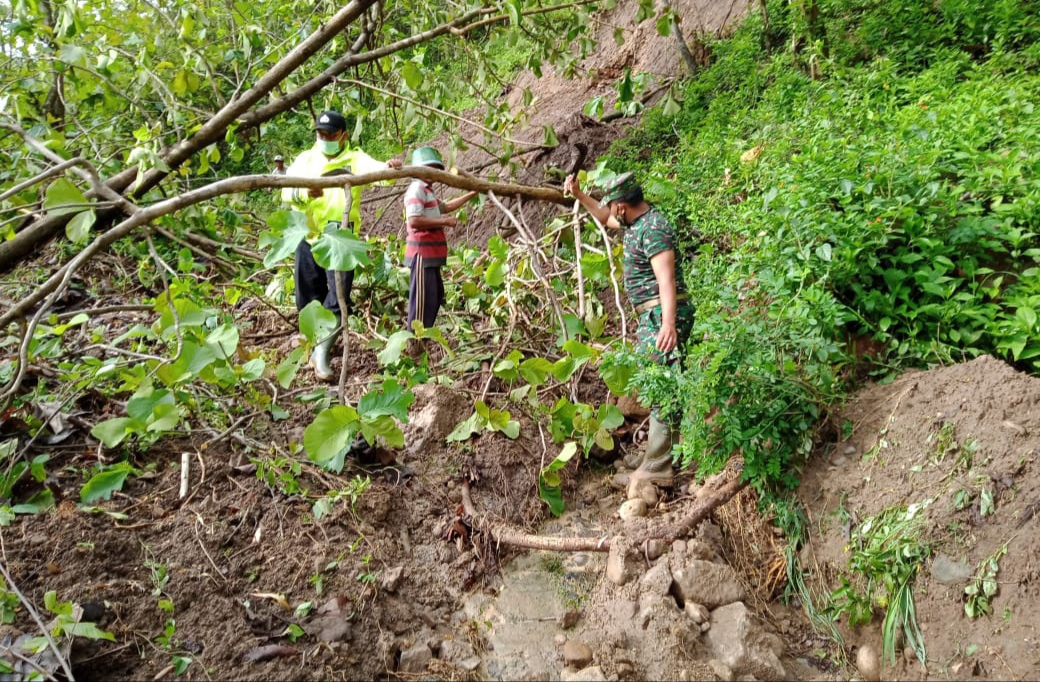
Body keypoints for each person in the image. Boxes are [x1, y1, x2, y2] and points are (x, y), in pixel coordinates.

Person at [564, 171, 695, 492]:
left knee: (663, 384)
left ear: (622, 206)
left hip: (661, 314)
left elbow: (666, 280)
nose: (610, 211)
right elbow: (602, 217)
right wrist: (579, 194)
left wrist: (668, 323)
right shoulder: (636, 224)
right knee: (658, 381)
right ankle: (661, 455)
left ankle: (659, 467)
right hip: (652, 315)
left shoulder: (654, 229)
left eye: (613, 206)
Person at [282, 110, 402, 380]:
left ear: (344, 136)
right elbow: (286, 192)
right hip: (309, 236)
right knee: (308, 299)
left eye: (330, 135)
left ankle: (321, 355)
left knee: (338, 299)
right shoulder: (305, 160)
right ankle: (313, 347)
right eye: (320, 134)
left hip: (341, 240)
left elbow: (380, 172)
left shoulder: (355, 159)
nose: (324, 139)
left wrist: (391, 168)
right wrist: (306, 192)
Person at [403, 147, 478, 333]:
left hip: (431, 254)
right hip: (421, 254)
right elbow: (414, 221)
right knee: (421, 304)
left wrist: (473, 192)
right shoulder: (417, 189)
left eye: (435, 169)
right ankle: (415, 342)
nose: (432, 173)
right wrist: (444, 221)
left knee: (435, 296)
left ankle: (423, 338)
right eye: (428, 168)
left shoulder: (427, 191)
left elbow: (445, 207)